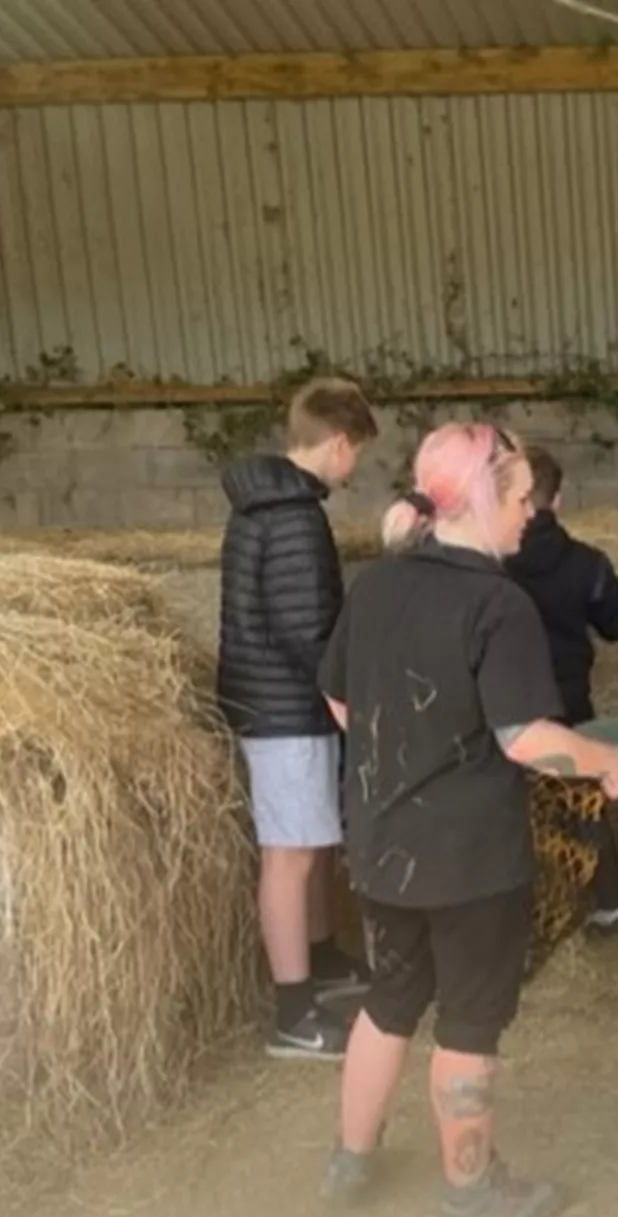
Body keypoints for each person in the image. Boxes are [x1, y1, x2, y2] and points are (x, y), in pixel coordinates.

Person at [316, 422, 618, 1217]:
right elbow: (525, 739)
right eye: (523, 496)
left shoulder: (378, 585)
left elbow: (340, 699)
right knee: (468, 1019)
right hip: (469, 861)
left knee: (390, 995)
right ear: (485, 499)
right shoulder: (499, 604)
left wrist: (407, 751)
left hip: (382, 844)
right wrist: (606, 760)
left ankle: (351, 1157)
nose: (532, 513)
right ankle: (470, 1189)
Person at [216, 376, 377, 1060]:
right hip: (285, 706)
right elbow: (305, 626)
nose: (356, 467)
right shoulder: (294, 516)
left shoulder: (268, 503)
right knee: (289, 852)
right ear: (339, 443)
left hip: (276, 699)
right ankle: (293, 1013)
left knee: (310, 841)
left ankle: (320, 957)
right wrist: (346, 688)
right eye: (358, 452)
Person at [503, 445, 618, 930]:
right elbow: (616, 627)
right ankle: (607, 903)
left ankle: (528, 911)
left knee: (513, 806)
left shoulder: (492, 565)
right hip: (570, 698)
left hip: (510, 705)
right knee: (584, 798)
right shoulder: (588, 563)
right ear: (557, 499)